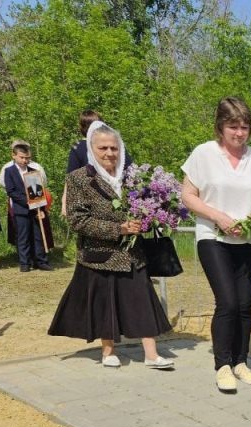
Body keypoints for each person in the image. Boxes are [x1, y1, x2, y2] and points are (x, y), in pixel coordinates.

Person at [49, 122, 173, 369]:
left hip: (132, 253)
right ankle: (108, 352)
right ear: (91, 149)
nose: (109, 153)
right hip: (100, 255)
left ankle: (151, 355)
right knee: (105, 304)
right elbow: (78, 220)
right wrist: (119, 229)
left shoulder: (134, 178)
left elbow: (148, 208)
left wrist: (150, 219)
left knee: (142, 300)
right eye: (103, 148)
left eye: (114, 148)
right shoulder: (78, 179)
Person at [181, 97, 251, 393]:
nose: (239, 133)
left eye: (244, 127)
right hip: (213, 237)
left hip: (249, 241)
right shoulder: (204, 154)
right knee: (228, 302)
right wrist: (219, 217)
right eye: (233, 126)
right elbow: (188, 195)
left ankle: (240, 361)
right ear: (220, 127)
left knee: (245, 305)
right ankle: (222, 365)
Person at [3, 141, 52, 272]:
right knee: (23, 237)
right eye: (22, 157)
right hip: (21, 210)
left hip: (36, 209)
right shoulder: (9, 171)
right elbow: (11, 192)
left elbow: (39, 192)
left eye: (27, 158)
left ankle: (41, 261)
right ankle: (25, 263)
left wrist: (42, 209)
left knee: (38, 236)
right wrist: (28, 202)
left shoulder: (34, 172)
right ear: (14, 156)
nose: (25, 160)